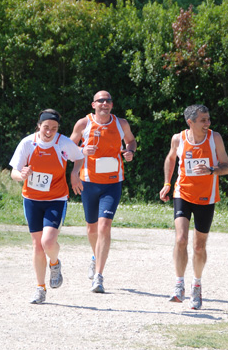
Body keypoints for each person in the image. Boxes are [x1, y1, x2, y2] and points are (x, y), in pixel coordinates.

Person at [159, 104, 228, 310]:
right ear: (190, 122)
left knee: (199, 246)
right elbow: (171, 158)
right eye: (203, 120)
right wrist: (167, 183)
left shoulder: (214, 138)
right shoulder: (178, 138)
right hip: (182, 193)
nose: (208, 124)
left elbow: (227, 167)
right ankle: (179, 284)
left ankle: (196, 285)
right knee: (180, 238)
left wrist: (211, 170)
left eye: (208, 119)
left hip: (206, 198)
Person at [9, 109, 84, 304]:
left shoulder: (63, 143)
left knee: (48, 242)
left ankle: (55, 263)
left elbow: (79, 157)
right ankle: (40, 288)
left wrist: (74, 173)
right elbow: (14, 173)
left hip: (56, 199)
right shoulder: (27, 143)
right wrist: (22, 175)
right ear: (38, 126)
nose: (49, 131)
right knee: (37, 245)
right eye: (46, 127)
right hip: (32, 199)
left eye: (54, 128)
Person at [70, 90, 137, 293]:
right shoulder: (83, 124)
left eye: (108, 100)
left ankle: (98, 277)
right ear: (93, 104)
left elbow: (131, 141)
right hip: (89, 182)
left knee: (104, 226)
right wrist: (79, 157)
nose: (105, 103)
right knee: (91, 229)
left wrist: (130, 151)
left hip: (112, 182)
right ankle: (95, 256)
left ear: (112, 104)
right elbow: (67, 148)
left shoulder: (121, 123)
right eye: (101, 100)